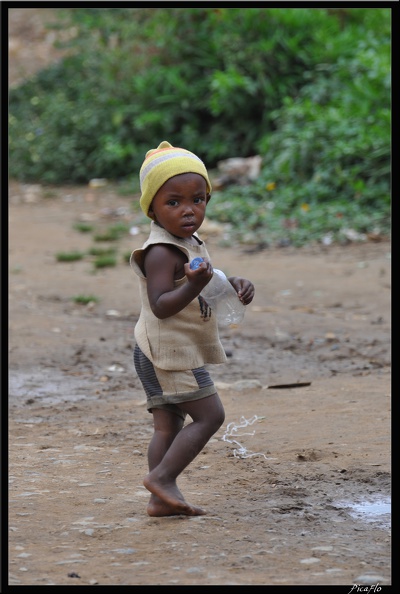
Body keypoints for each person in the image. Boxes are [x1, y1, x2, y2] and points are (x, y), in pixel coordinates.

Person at [130, 141, 255, 517]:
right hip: (167, 351)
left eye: (198, 200)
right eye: (174, 202)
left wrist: (231, 283)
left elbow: (204, 282)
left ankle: (159, 498)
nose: (189, 210)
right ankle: (163, 479)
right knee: (210, 416)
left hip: (166, 349)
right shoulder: (161, 251)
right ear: (152, 207)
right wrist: (196, 285)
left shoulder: (189, 241)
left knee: (167, 427)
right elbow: (162, 305)